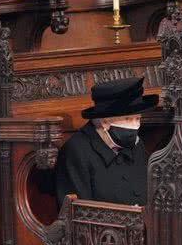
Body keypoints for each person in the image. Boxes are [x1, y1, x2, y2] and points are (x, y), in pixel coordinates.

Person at [55, 77, 158, 208]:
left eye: (138, 118)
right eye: (128, 118)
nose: (135, 126)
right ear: (104, 122)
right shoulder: (76, 151)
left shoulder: (137, 144)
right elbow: (78, 215)